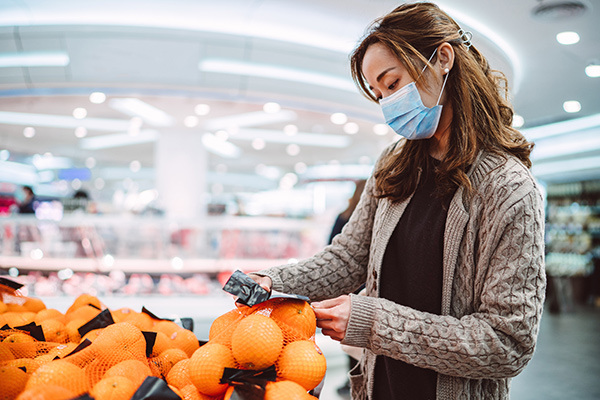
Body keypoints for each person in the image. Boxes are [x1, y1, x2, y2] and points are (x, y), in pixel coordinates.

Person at [249, 3, 546, 399]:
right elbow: (349, 258)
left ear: (443, 58)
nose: (387, 103)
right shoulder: (394, 165)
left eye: (392, 83)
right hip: (380, 386)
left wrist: (372, 322)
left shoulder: (507, 188)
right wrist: (273, 282)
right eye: (378, 93)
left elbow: (507, 342)